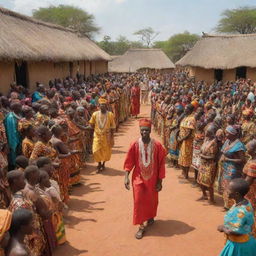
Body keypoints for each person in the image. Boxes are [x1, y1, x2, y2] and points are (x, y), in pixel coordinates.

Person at [124, 119, 166, 239]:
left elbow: (161, 163)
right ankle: (141, 226)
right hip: (138, 177)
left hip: (152, 179)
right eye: (142, 130)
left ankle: (150, 216)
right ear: (140, 131)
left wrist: (160, 181)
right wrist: (126, 176)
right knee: (138, 200)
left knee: (151, 199)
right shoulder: (135, 145)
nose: (144, 132)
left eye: (147, 130)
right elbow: (129, 161)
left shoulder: (157, 145)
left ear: (150, 131)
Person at [218, 178, 256, 256]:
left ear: (237, 194)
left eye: (228, 190)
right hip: (247, 240)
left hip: (239, 246)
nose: (226, 191)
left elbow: (234, 232)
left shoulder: (240, 212)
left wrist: (222, 228)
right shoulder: (245, 202)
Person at [221, 126, 246, 210]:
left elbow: (242, 160)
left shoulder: (239, 145)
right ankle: (227, 205)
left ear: (233, 134)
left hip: (234, 170)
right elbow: (223, 151)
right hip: (226, 168)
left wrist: (228, 159)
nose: (226, 134)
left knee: (233, 188)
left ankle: (233, 206)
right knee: (226, 187)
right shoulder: (227, 141)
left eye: (228, 133)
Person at [89, 98, 116, 172]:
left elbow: (113, 126)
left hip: (106, 136)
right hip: (97, 135)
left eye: (104, 105)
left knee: (106, 151)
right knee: (95, 150)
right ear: (98, 106)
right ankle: (99, 163)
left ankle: (103, 164)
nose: (102, 106)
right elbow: (91, 124)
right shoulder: (95, 114)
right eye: (101, 105)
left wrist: (112, 137)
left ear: (106, 106)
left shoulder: (110, 114)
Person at [197, 125, 218, 204]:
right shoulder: (206, 140)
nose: (206, 133)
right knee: (200, 180)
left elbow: (212, 156)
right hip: (203, 163)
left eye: (208, 132)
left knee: (209, 183)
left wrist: (202, 156)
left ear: (212, 133)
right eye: (206, 131)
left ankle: (211, 199)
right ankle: (204, 195)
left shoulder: (214, 143)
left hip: (210, 165)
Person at [178, 104, 196, 180]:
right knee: (182, 156)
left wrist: (182, 139)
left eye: (187, 109)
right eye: (185, 108)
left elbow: (189, 132)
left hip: (187, 141)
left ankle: (186, 174)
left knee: (186, 157)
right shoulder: (186, 117)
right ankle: (184, 172)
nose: (185, 110)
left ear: (191, 110)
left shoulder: (191, 119)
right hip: (183, 140)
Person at [4, 103, 22, 170]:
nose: (21, 107)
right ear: (15, 108)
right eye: (19, 106)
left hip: (18, 139)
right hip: (14, 142)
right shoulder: (10, 118)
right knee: (13, 157)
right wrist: (13, 145)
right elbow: (11, 133)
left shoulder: (19, 114)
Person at [243, 139, 256, 212]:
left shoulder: (253, 164)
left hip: (251, 191)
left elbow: (248, 182)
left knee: (250, 209)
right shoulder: (251, 159)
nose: (246, 148)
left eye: (249, 147)